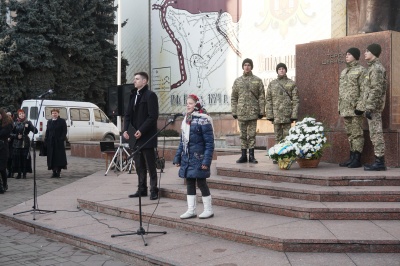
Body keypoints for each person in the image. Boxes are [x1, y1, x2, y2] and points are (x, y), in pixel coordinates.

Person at [173, 94, 215, 219]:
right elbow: (182, 141)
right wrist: (177, 157)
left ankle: (208, 209)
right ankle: (191, 210)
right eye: (187, 103)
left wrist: (206, 161)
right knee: (190, 182)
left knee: (201, 182)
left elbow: (209, 143)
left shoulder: (204, 119)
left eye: (190, 103)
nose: (188, 106)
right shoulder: (186, 119)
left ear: (197, 105)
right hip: (187, 157)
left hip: (199, 157)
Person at [123, 72, 160, 200]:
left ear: (145, 81)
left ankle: (154, 190)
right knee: (139, 166)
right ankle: (141, 189)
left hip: (146, 136)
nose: (134, 81)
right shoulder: (133, 96)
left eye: (137, 79)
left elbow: (153, 116)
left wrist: (141, 130)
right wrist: (126, 130)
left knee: (150, 165)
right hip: (135, 137)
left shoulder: (150, 96)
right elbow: (128, 115)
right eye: (134, 79)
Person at [357, 43, 387, 171]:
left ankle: (380, 162)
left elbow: (376, 89)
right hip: (370, 106)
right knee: (374, 133)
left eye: (367, 51)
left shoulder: (376, 69)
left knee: (376, 134)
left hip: (373, 107)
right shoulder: (371, 68)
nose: (365, 53)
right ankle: (378, 160)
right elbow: (366, 90)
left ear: (374, 53)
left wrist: (369, 107)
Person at [231, 58, 265, 164]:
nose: (247, 67)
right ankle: (243, 155)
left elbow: (261, 97)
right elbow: (234, 97)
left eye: (249, 65)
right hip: (241, 112)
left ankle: (251, 156)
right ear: (242, 67)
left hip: (253, 112)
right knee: (242, 135)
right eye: (245, 65)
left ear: (251, 67)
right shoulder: (237, 81)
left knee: (252, 135)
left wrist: (261, 111)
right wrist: (234, 111)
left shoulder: (257, 80)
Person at [339, 48, 366, 168]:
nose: (347, 56)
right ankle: (351, 158)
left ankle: (357, 158)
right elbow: (341, 91)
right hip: (345, 108)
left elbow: (364, 91)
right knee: (350, 134)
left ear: (355, 56)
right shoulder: (344, 72)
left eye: (349, 54)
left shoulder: (361, 70)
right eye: (346, 54)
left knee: (357, 134)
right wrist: (339, 106)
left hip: (356, 109)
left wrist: (360, 107)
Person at [266, 63, 299, 153]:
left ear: (285, 70)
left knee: (287, 137)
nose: (281, 70)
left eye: (283, 69)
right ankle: (278, 154)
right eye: (279, 69)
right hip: (276, 115)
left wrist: (294, 114)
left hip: (287, 115)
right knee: (277, 137)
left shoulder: (291, 83)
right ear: (277, 71)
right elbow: (268, 100)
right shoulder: (272, 84)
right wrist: (269, 115)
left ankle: (286, 155)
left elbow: (295, 100)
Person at [10, 109, 38, 179]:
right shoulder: (15, 123)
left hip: (25, 143)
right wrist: (16, 136)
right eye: (20, 114)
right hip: (16, 143)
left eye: (23, 114)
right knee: (17, 158)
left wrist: (30, 126)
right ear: (18, 115)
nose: (22, 115)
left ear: (24, 114)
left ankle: (24, 173)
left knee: (25, 158)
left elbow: (35, 131)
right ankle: (19, 173)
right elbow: (10, 133)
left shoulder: (28, 122)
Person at [45, 109, 67, 177]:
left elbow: (64, 131)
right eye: (53, 113)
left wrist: (61, 139)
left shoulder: (62, 121)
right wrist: (46, 139)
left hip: (59, 142)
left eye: (56, 113)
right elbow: (47, 131)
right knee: (52, 157)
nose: (54, 114)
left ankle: (58, 171)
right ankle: (53, 171)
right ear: (51, 114)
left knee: (59, 157)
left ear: (58, 114)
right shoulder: (49, 121)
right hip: (51, 142)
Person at [0, 108, 13, 193]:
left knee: (2, 168)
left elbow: (3, 134)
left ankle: (4, 183)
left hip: (3, 148)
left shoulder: (7, 123)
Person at [6, 112, 14, 178]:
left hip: (11, 143)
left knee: (10, 158)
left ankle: (11, 171)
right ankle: (8, 171)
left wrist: (10, 137)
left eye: (9, 116)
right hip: (6, 143)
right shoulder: (4, 124)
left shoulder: (12, 124)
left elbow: (13, 132)